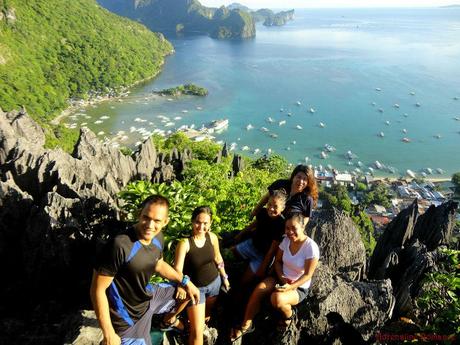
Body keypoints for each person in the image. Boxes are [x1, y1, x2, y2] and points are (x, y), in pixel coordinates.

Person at [90, 195, 200, 345]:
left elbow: (159, 264)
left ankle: (167, 321)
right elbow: (97, 289)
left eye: (157, 221)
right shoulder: (121, 246)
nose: (150, 225)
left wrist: (185, 281)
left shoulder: (158, 237)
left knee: (189, 293)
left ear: (165, 222)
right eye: (146, 218)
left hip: (148, 297)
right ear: (139, 214)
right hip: (128, 317)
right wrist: (108, 333)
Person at [230, 213, 320, 342]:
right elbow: (278, 261)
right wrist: (282, 278)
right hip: (280, 277)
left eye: (293, 228)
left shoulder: (311, 247)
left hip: (298, 285)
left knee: (276, 299)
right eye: (287, 228)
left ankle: (289, 316)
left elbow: (308, 274)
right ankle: (246, 325)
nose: (290, 232)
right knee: (259, 289)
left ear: (302, 226)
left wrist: (291, 286)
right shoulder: (286, 240)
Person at [174, 206, 230, 345]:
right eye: (198, 222)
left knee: (208, 313)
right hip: (196, 290)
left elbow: (218, 258)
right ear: (192, 222)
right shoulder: (185, 244)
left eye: (205, 223)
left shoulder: (212, 237)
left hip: (214, 283)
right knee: (197, 333)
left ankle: (201, 320)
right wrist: (182, 284)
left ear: (210, 224)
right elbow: (177, 270)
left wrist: (224, 277)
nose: (201, 226)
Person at [231, 189, 287, 285]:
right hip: (251, 244)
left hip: (263, 255)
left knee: (244, 281)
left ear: (282, 208)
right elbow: (254, 224)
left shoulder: (281, 224)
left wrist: (263, 268)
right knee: (229, 254)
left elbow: (272, 251)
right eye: (269, 204)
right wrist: (240, 235)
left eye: (275, 206)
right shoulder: (263, 213)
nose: (271, 208)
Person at [251, 164, 318, 219]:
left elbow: (306, 218)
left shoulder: (307, 199)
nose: (301, 181)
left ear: (308, 182)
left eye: (305, 179)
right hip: (267, 218)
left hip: (285, 230)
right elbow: (265, 198)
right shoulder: (280, 184)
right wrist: (254, 212)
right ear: (293, 176)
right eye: (299, 177)